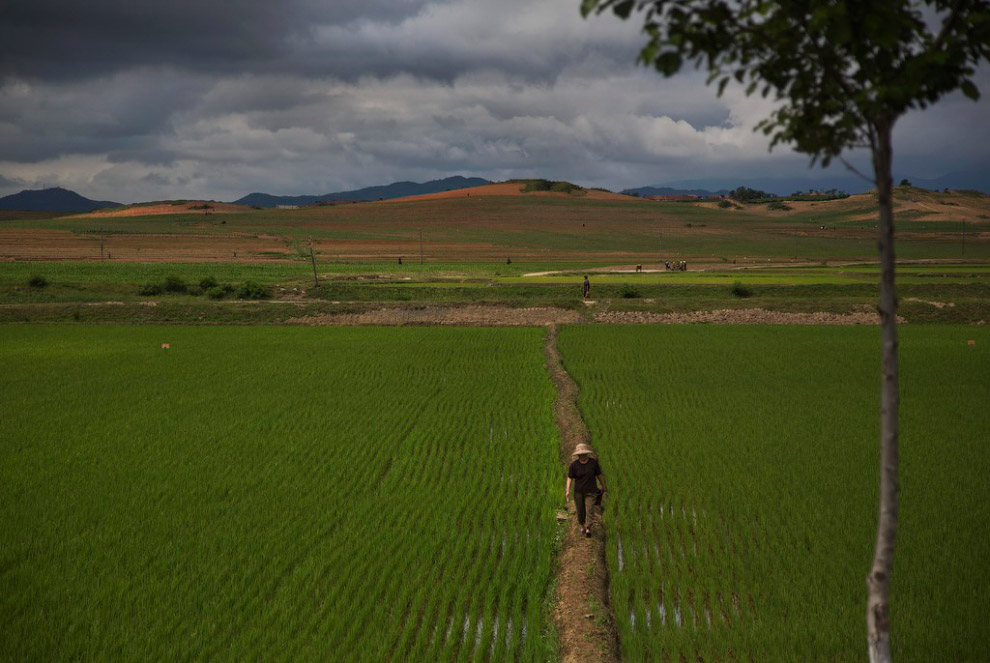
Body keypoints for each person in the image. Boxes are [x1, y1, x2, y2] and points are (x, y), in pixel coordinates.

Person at [565, 443, 606, 538]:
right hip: (578, 492)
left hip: (591, 492)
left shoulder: (593, 463)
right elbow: (570, 478)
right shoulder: (574, 465)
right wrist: (567, 490)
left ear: (587, 454)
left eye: (583, 454)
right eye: (580, 454)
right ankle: (583, 526)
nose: (581, 456)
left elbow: (599, 475)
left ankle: (588, 528)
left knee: (590, 509)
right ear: (577, 455)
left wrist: (603, 486)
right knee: (580, 512)